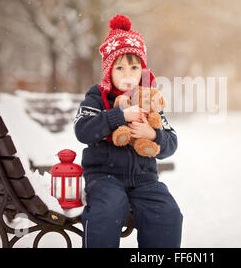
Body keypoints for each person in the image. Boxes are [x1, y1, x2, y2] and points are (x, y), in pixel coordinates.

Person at [74, 14, 183, 248]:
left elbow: (171, 142)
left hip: (144, 180)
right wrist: (119, 116)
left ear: (142, 71)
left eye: (134, 68)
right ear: (109, 72)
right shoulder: (96, 97)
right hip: (104, 178)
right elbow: (83, 130)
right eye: (120, 68)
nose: (127, 75)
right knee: (108, 208)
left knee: (168, 212)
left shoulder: (148, 99)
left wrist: (152, 135)